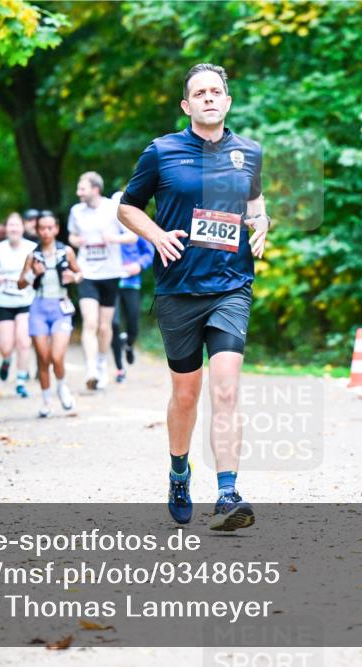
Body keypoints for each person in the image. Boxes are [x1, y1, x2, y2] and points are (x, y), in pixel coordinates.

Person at [117, 63, 270, 531]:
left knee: (225, 387)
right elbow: (126, 206)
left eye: (215, 91)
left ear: (227, 101)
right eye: (199, 93)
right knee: (187, 394)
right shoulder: (161, 152)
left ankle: (228, 493)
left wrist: (261, 223)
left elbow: (255, 203)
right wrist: (156, 235)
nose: (208, 98)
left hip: (231, 285)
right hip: (178, 289)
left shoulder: (249, 152)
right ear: (187, 105)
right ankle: (179, 471)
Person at [67, 171, 136, 390]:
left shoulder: (113, 208)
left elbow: (132, 236)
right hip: (86, 272)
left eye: (82, 188)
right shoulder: (76, 211)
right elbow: (71, 236)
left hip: (110, 273)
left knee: (105, 327)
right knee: (90, 322)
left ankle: (101, 361)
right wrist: (76, 240)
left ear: (95, 189)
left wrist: (113, 238)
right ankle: (90, 369)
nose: (79, 192)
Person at [17, 212, 80, 418]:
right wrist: (33, 273)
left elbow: (79, 273)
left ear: (57, 228)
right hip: (38, 308)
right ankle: (46, 401)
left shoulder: (66, 251)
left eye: (50, 228)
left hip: (61, 307)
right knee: (43, 358)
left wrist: (73, 277)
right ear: (37, 230)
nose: (46, 232)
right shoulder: (32, 256)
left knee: (56, 355)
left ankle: (62, 387)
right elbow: (21, 284)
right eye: (42, 228)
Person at [0, 212, 37, 397]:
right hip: (3, 302)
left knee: (24, 341)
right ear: (6, 229)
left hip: (25, 301)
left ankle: (21, 381)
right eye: (10, 225)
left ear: (22, 228)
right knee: (6, 345)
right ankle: (6, 360)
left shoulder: (32, 248)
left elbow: (40, 272)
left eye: (16, 225)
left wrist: (34, 279)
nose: (13, 229)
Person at [110, 191, 154, 384]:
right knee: (113, 323)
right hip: (110, 281)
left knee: (133, 322)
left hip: (131, 281)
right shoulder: (106, 229)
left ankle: (128, 343)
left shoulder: (136, 227)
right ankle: (120, 369)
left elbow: (149, 252)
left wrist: (138, 265)